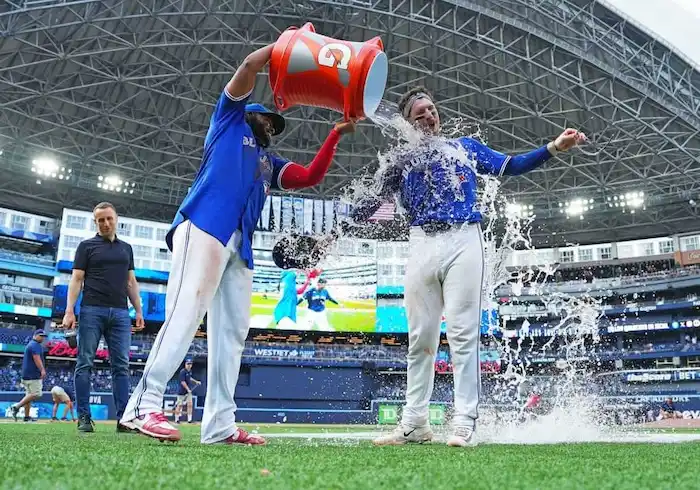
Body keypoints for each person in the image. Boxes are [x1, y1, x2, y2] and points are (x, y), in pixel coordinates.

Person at [119, 42, 357, 445]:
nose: (271, 126)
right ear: (251, 114)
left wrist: (334, 134)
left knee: (232, 333)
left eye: (275, 124)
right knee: (186, 309)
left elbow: (310, 177)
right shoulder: (228, 123)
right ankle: (143, 405)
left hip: (239, 245)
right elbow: (248, 66)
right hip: (206, 225)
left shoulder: (269, 162)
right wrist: (282, 47)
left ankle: (219, 425)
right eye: (267, 119)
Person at [359, 87, 586, 447]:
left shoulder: (464, 147)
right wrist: (328, 236)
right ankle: (414, 423)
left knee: (463, 335)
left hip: (464, 239)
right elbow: (369, 205)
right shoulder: (399, 161)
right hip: (421, 242)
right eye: (419, 115)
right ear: (407, 124)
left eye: (431, 109)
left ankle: (464, 422)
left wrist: (554, 147)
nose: (429, 117)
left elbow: (510, 166)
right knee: (420, 339)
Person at [61, 202, 145, 433]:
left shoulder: (126, 249)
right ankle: (84, 418)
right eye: (101, 220)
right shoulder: (86, 246)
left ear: (116, 219)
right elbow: (77, 279)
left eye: (109, 218)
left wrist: (138, 310)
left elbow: (131, 282)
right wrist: (70, 310)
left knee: (121, 366)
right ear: (95, 222)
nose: (106, 223)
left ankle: (123, 419)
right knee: (84, 363)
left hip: (120, 313)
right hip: (91, 311)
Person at [10, 329, 46, 422]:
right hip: (33, 375)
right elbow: (36, 358)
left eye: (43, 336)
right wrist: (42, 370)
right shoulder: (35, 345)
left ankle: (26, 417)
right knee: (37, 393)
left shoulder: (31, 344)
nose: (42, 338)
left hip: (26, 375)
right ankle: (16, 407)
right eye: (40, 336)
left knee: (28, 396)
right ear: (35, 335)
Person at [174, 359, 201, 424]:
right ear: (185, 364)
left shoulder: (190, 371)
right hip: (181, 392)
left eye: (190, 364)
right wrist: (188, 389)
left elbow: (189, 378)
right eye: (188, 364)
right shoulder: (182, 372)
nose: (189, 365)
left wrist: (196, 381)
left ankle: (189, 419)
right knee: (179, 405)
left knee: (190, 404)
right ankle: (177, 419)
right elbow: (182, 382)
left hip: (188, 392)